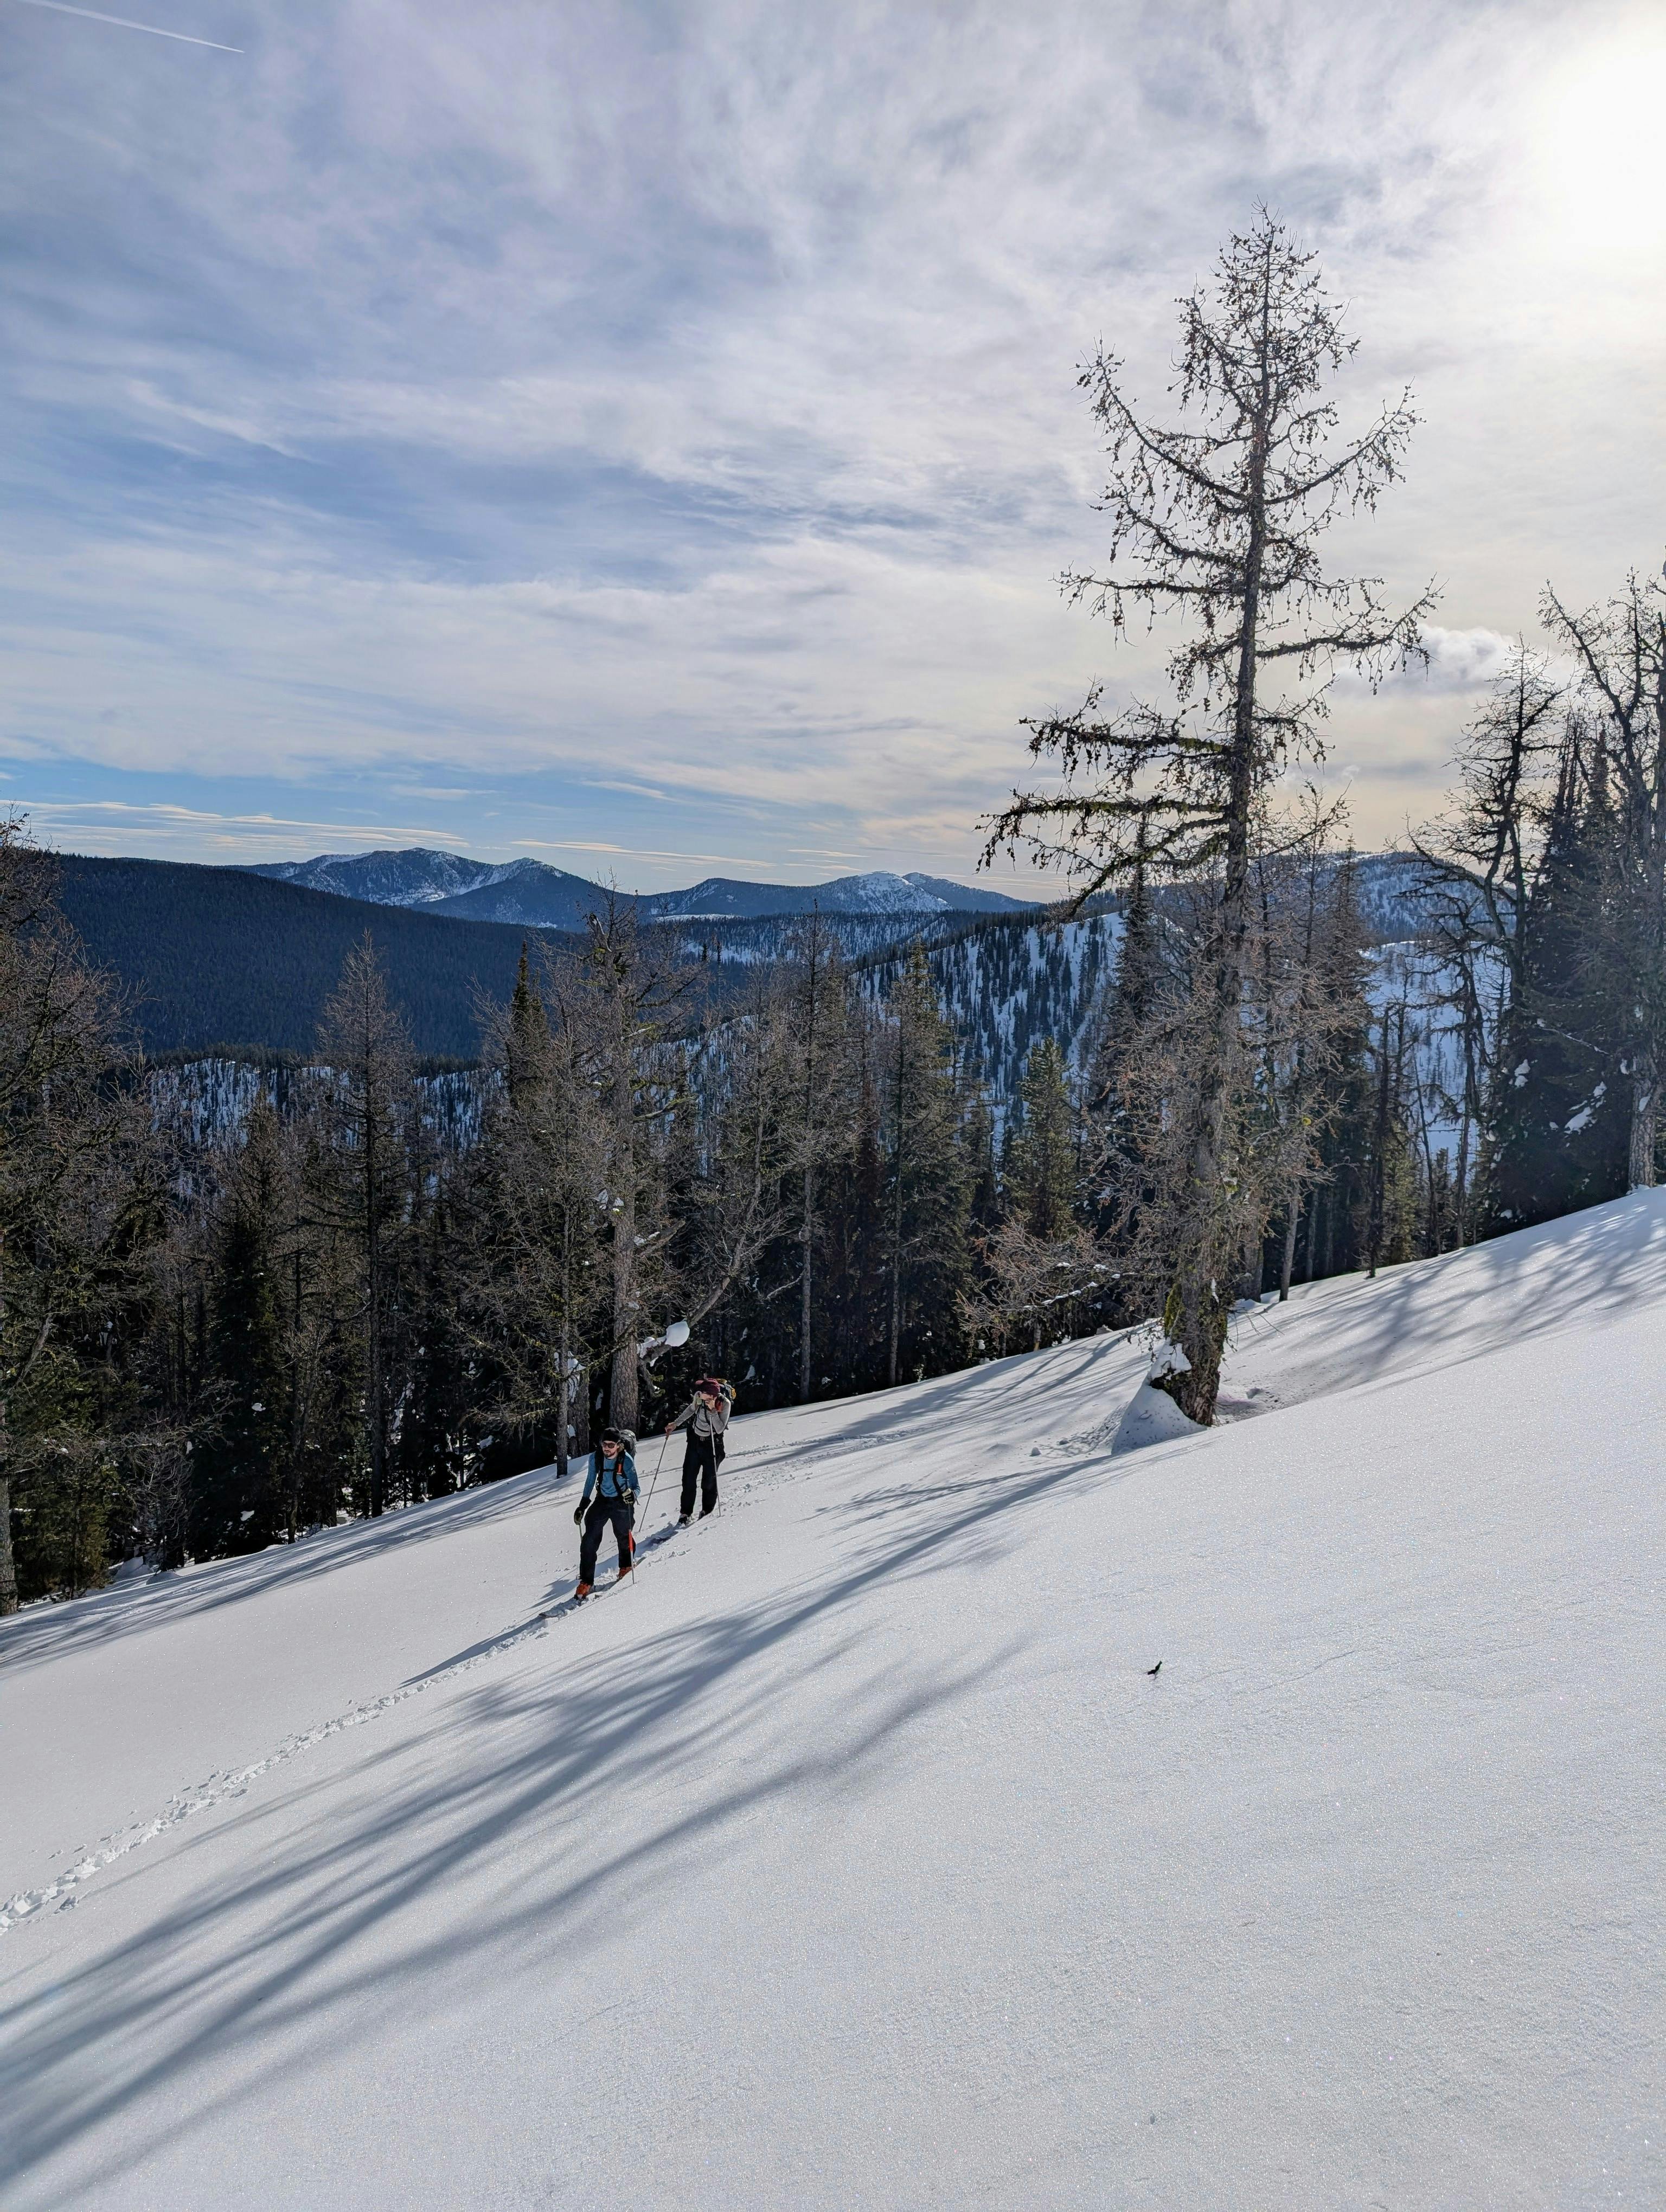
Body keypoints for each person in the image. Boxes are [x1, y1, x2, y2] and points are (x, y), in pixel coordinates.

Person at [573, 1425, 638, 1596]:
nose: (606, 1448)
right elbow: (589, 1481)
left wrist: (633, 1496)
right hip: (602, 1500)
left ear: (618, 1445)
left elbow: (636, 1486)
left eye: (611, 1445)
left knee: (624, 1535)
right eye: (604, 1444)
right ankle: (586, 1582)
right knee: (589, 1541)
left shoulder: (627, 1460)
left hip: (621, 1501)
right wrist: (582, 1506)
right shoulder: (596, 1458)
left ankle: (626, 1566)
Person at [665, 1378, 729, 1524]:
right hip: (695, 1442)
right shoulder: (699, 1397)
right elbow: (691, 1409)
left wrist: (713, 1410)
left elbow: (720, 1429)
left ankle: (707, 1510)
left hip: (712, 1444)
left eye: (702, 1393)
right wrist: (675, 1424)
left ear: (711, 1395)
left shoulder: (724, 1404)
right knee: (688, 1478)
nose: (698, 1394)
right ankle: (685, 1513)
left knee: (709, 1481)